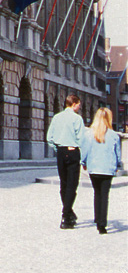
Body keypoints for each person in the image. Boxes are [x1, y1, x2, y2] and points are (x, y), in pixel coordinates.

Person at [81, 107, 123, 234]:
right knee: (105, 195)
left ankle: (97, 218)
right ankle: (102, 224)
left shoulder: (89, 134)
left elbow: (85, 150)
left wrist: (83, 162)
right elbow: (118, 154)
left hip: (94, 167)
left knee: (97, 193)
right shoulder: (114, 135)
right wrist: (118, 165)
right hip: (107, 168)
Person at [46, 93, 84, 229]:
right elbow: (81, 139)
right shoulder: (77, 119)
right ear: (73, 104)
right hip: (73, 151)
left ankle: (69, 213)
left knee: (64, 184)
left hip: (61, 152)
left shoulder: (57, 117)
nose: (79, 107)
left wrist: (58, 148)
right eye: (78, 104)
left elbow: (49, 137)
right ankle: (66, 216)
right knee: (72, 185)